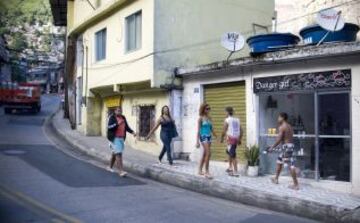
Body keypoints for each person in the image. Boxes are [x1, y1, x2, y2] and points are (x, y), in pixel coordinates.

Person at [267, 112, 299, 190]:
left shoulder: (282, 127)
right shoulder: (289, 126)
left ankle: (296, 184)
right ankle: (276, 178)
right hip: (289, 146)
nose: (278, 119)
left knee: (291, 165)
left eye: (279, 117)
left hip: (286, 147)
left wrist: (272, 147)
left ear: (282, 118)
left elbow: (279, 139)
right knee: (279, 161)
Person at [107, 107, 136, 177]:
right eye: (118, 110)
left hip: (121, 138)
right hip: (114, 138)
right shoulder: (112, 118)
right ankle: (121, 171)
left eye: (120, 111)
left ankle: (109, 167)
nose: (119, 112)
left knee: (115, 153)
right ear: (115, 111)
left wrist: (132, 132)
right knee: (119, 154)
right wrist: (117, 124)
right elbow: (109, 127)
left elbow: (126, 127)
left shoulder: (123, 117)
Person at [196, 103, 216, 179]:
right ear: (203, 109)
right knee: (209, 153)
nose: (208, 110)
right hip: (203, 136)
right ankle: (207, 172)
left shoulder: (209, 118)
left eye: (209, 108)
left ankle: (200, 170)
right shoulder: (200, 118)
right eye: (207, 108)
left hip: (209, 136)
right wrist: (197, 141)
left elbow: (211, 128)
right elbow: (198, 130)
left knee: (205, 154)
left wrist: (216, 136)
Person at [221, 107, 242, 177]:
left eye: (225, 112)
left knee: (233, 155)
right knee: (228, 151)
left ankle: (235, 172)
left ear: (227, 112)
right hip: (235, 139)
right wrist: (240, 139)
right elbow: (242, 131)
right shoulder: (237, 120)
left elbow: (224, 130)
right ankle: (230, 167)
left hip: (231, 139)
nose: (225, 114)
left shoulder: (227, 120)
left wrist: (221, 138)